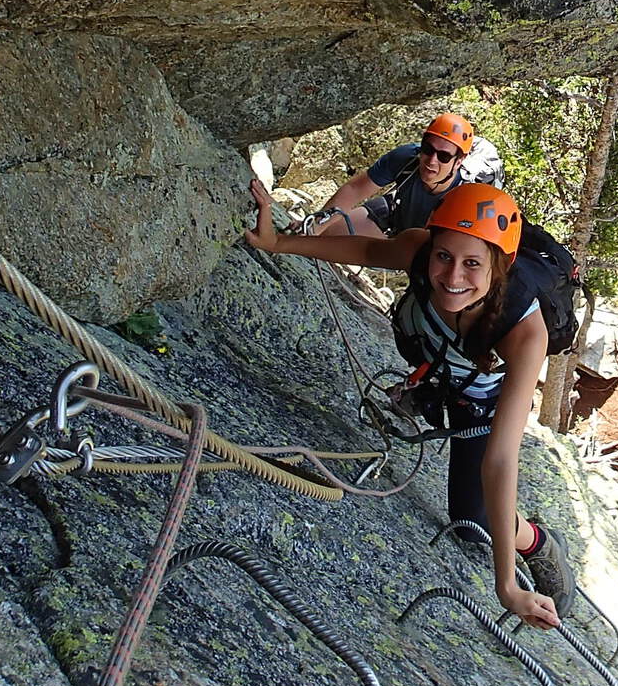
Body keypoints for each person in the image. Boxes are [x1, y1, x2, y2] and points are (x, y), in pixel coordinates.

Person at [245, 175, 572, 630]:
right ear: (432, 245)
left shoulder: (525, 333)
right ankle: (428, 388)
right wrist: (277, 243)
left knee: (471, 515)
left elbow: (500, 460)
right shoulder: (419, 249)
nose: (452, 277)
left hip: (480, 399)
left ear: (500, 266)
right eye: (444, 256)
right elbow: (366, 251)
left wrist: (507, 585)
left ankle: (537, 541)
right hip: (438, 363)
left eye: (473, 264)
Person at [313, 112, 503, 237]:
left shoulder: (467, 196)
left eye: (444, 156)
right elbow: (354, 190)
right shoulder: (407, 158)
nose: (432, 160)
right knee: (328, 234)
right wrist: (316, 226)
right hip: (397, 213)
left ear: (458, 161)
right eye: (428, 149)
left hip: (432, 243)